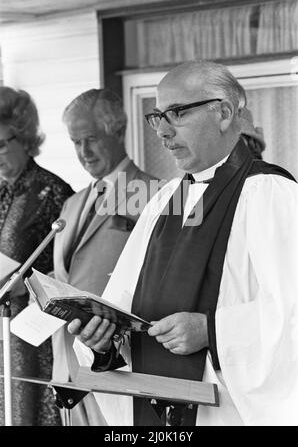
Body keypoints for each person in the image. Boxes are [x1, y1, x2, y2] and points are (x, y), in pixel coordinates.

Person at [68, 60, 298, 426]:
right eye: (157, 116)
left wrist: (210, 330)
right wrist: (102, 338)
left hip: (224, 411)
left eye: (176, 113)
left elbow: (290, 315)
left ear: (223, 113)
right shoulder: (164, 200)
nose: (162, 132)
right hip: (156, 402)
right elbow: (122, 303)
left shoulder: (269, 194)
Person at [52, 88, 159, 425]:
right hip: (67, 368)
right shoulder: (71, 203)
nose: (84, 151)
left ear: (118, 130)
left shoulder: (156, 195)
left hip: (118, 366)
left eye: (91, 138)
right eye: (75, 141)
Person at [0, 86, 74, 426]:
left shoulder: (53, 191)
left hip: (32, 333)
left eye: (2, 144)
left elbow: (70, 269)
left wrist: (27, 283)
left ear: (26, 138)